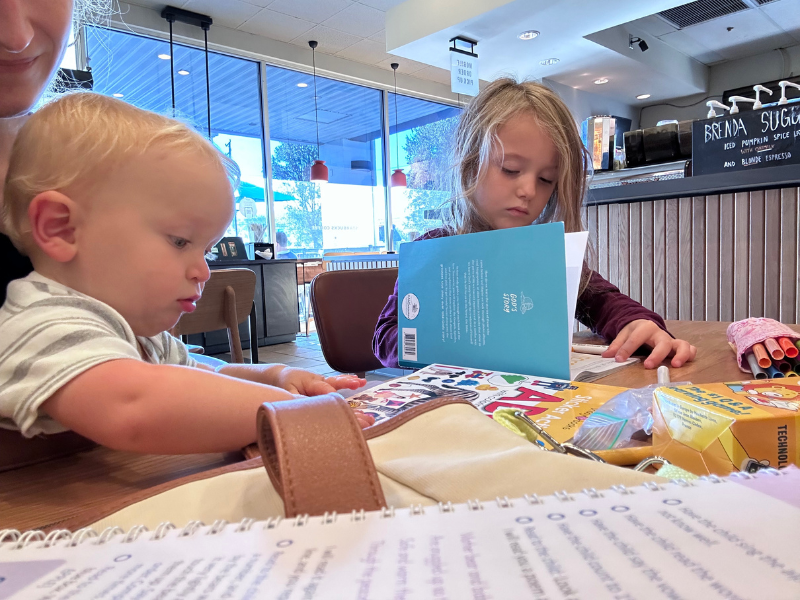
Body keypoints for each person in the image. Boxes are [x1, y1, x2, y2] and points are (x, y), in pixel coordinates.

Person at [0, 92, 371, 454]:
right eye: (179, 241)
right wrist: (290, 412)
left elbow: (205, 375)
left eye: (206, 250)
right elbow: (134, 406)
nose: (203, 271)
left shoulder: (135, 332)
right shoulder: (44, 322)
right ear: (61, 228)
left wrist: (276, 376)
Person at [373, 78, 697, 371]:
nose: (529, 190)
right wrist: (448, 340)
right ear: (471, 165)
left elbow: (603, 300)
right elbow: (385, 337)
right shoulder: (434, 249)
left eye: (546, 179)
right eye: (511, 169)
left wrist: (638, 323)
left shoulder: (544, 254)